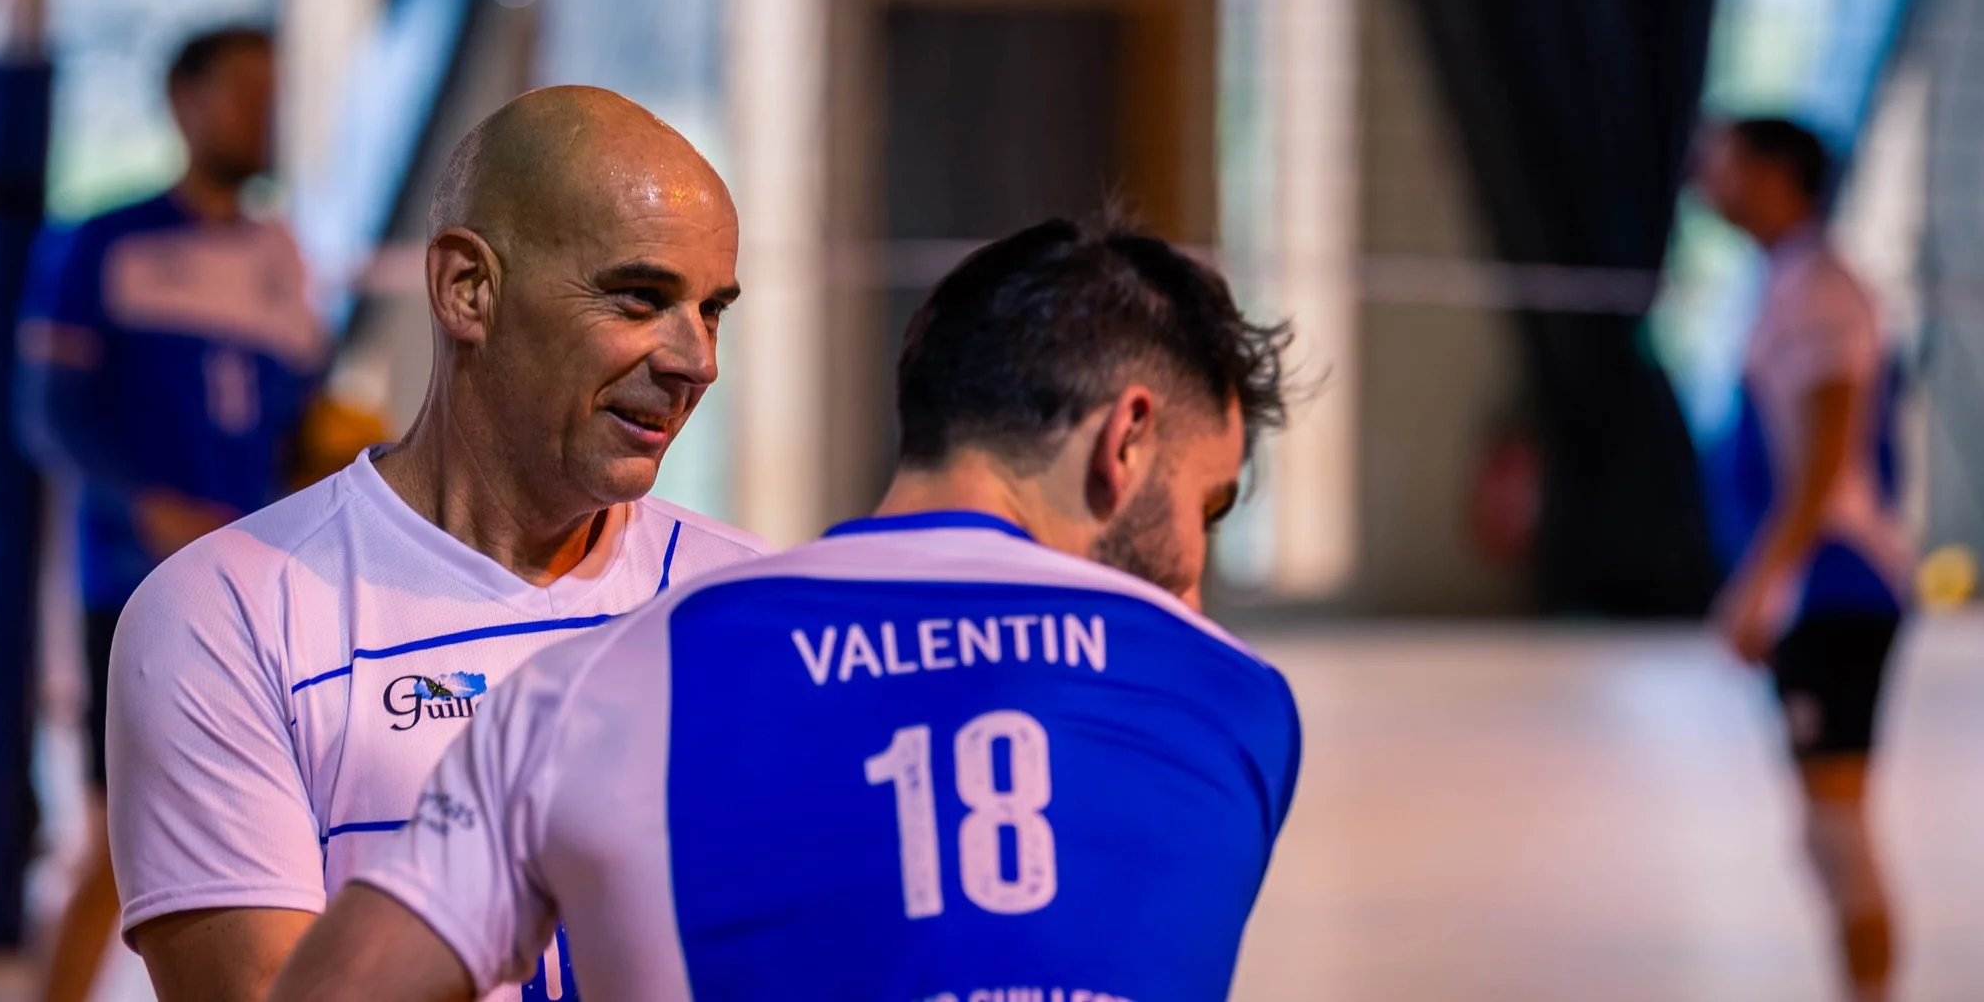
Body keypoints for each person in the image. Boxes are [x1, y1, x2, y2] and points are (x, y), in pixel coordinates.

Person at [269, 216, 1305, 1002]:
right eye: (1206, 505)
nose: (1194, 582)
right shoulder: (1235, 699)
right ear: (1125, 441)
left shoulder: (596, 684)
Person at [108, 86, 766, 1002]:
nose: (695, 360)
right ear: (469, 289)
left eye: (712, 310)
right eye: (640, 298)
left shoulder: (752, 608)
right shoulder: (226, 614)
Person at [20, 25, 324, 1002]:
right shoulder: (102, 241)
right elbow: (49, 412)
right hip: (134, 586)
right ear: (183, 101)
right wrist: (146, 505)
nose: (260, 112)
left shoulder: (283, 255)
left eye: (273, 91)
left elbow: (300, 425)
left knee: (278, 830)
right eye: (240, 90)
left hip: (264, 592)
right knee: (118, 835)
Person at [1699, 116, 1906, 1002]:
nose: (1707, 178)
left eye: (1726, 161)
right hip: (1817, 590)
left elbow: (1826, 456)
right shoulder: (1784, 281)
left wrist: (1759, 588)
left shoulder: (1820, 289)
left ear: (1778, 177)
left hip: (1839, 587)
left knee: (1837, 831)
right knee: (1824, 829)